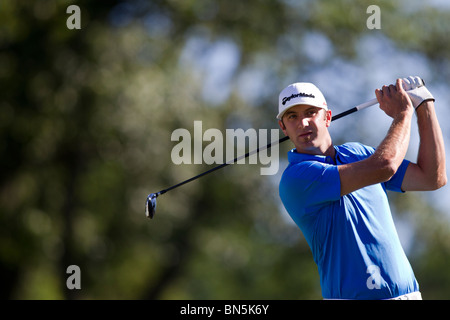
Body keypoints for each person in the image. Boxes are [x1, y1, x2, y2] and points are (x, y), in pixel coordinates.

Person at [277, 77, 447, 300]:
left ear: (327, 117)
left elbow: (432, 178)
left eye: (311, 112)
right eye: (292, 116)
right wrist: (403, 113)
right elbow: (385, 165)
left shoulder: (358, 153)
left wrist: (424, 104)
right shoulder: (297, 178)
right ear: (283, 127)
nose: (303, 123)